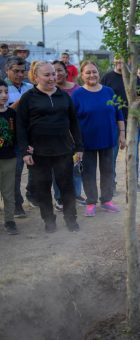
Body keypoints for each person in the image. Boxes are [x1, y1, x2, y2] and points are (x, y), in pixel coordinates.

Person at [16, 61, 84, 232]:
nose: (52, 78)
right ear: (35, 76)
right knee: (43, 189)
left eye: (53, 74)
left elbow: (74, 124)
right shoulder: (28, 98)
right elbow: (21, 126)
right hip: (38, 152)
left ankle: (71, 220)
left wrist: (79, 147)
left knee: (67, 188)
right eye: (47, 75)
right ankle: (49, 221)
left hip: (63, 151)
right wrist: (25, 150)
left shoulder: (64, 96)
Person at [72, 60, 125, 217]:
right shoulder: (77, 94)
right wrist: (76, 144)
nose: (91, 75)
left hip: (108, 139)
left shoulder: (108, 91)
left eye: (94, 71)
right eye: (87, 72)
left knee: (108, 171)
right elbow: (72, 121)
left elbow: (119, 114)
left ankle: (107, 200)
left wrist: (122, 134)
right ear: (82, 75)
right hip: (86, 141)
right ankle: (91, 202)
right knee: (88, 173)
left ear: (98, 73)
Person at [101, 57, 140, 194]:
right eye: (117, 59)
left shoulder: (135, 79)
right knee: (111, 156)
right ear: (113, 60)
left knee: (133, 156)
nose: (120, 61)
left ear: (129, 61)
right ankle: (110, 185)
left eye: (123, 59)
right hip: (112, 123)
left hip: (132, 122)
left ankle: (133, 184)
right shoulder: (107, 78)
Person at [51, 60, 84, 210]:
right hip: (56, 138)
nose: (57, 74)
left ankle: (76, 194)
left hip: (75, 134)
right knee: (58, 169)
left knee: (76, 167)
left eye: (59, 70)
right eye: (53, 71)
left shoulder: (77, 90)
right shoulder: (49, 91)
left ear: (66, 72)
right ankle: (59, 198)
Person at [5, 56, 34, 218]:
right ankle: (17, 204)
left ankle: (32, 195)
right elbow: (6, 112)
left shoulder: (30, 87)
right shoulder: (3, 88)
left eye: (23, 71)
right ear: (7, 70)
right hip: (11, 138)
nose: (20, 74)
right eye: (16, 71)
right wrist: (23, 100)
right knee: (15, 173)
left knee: (36, 170)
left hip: (31, 135)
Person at [0, 79, 18, 235]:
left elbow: (18, 135)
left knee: (8, 191)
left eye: (6, 92)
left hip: (9, 158)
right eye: (0, 92)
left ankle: (10, 220)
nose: (4, 95)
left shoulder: (12, 114)